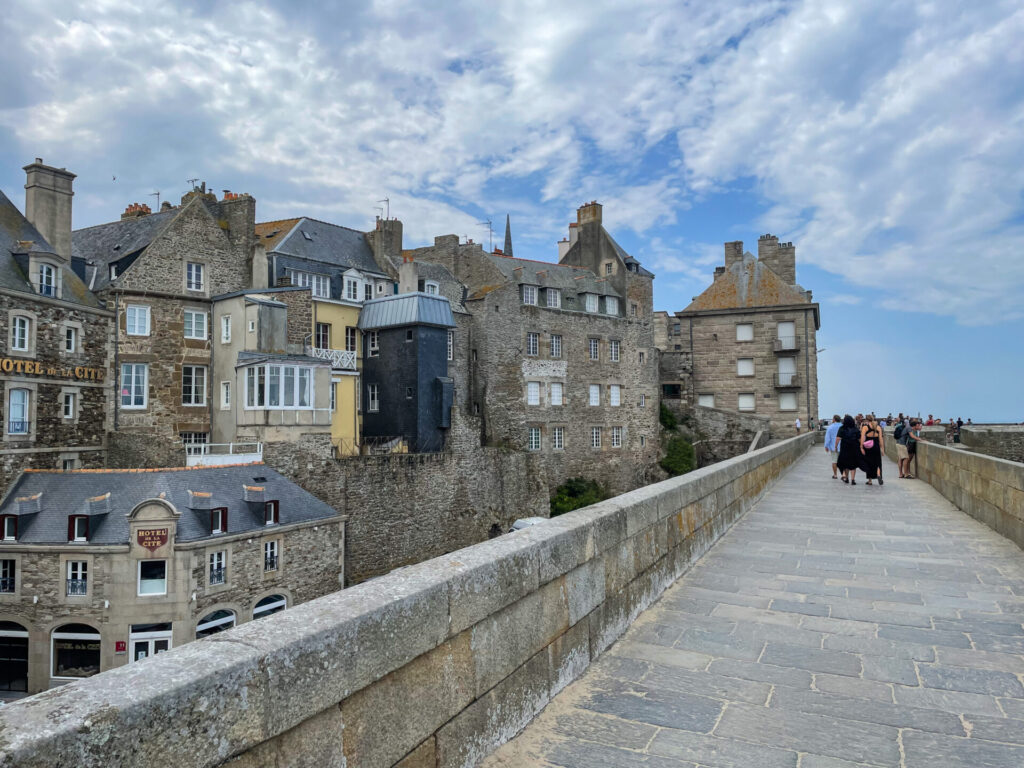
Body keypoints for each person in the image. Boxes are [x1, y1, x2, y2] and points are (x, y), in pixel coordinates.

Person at [859, 414, 884, 485]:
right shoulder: (878, 427)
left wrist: (861, 447)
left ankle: (870, 480)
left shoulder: (865, 427)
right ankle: (878, 474)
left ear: (866, 420)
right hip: (876, 446)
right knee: (878, 462)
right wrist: (882, 449)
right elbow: (881, 439)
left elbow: (862, 438)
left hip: (868, 447)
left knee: (869, 463)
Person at [836, 415, 861, 484]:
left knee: (844, 463)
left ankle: (846, 478)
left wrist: (835, 447)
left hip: (844, 447)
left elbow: (838, 438)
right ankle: (853, 480)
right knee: (853, 464)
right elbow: (859, 439)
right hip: (854, 448)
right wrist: (861, 447)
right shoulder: (855, 428)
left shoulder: (842, 428)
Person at [824, 415, 842, 479]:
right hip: (842, 447)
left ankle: (835, 475)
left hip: (834, 447)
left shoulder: (830, 427)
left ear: (834, 419)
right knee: (843, 461)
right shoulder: (843, 426)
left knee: (834, 461)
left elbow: (827, 438)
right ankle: (844, 475)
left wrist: (826, 446)